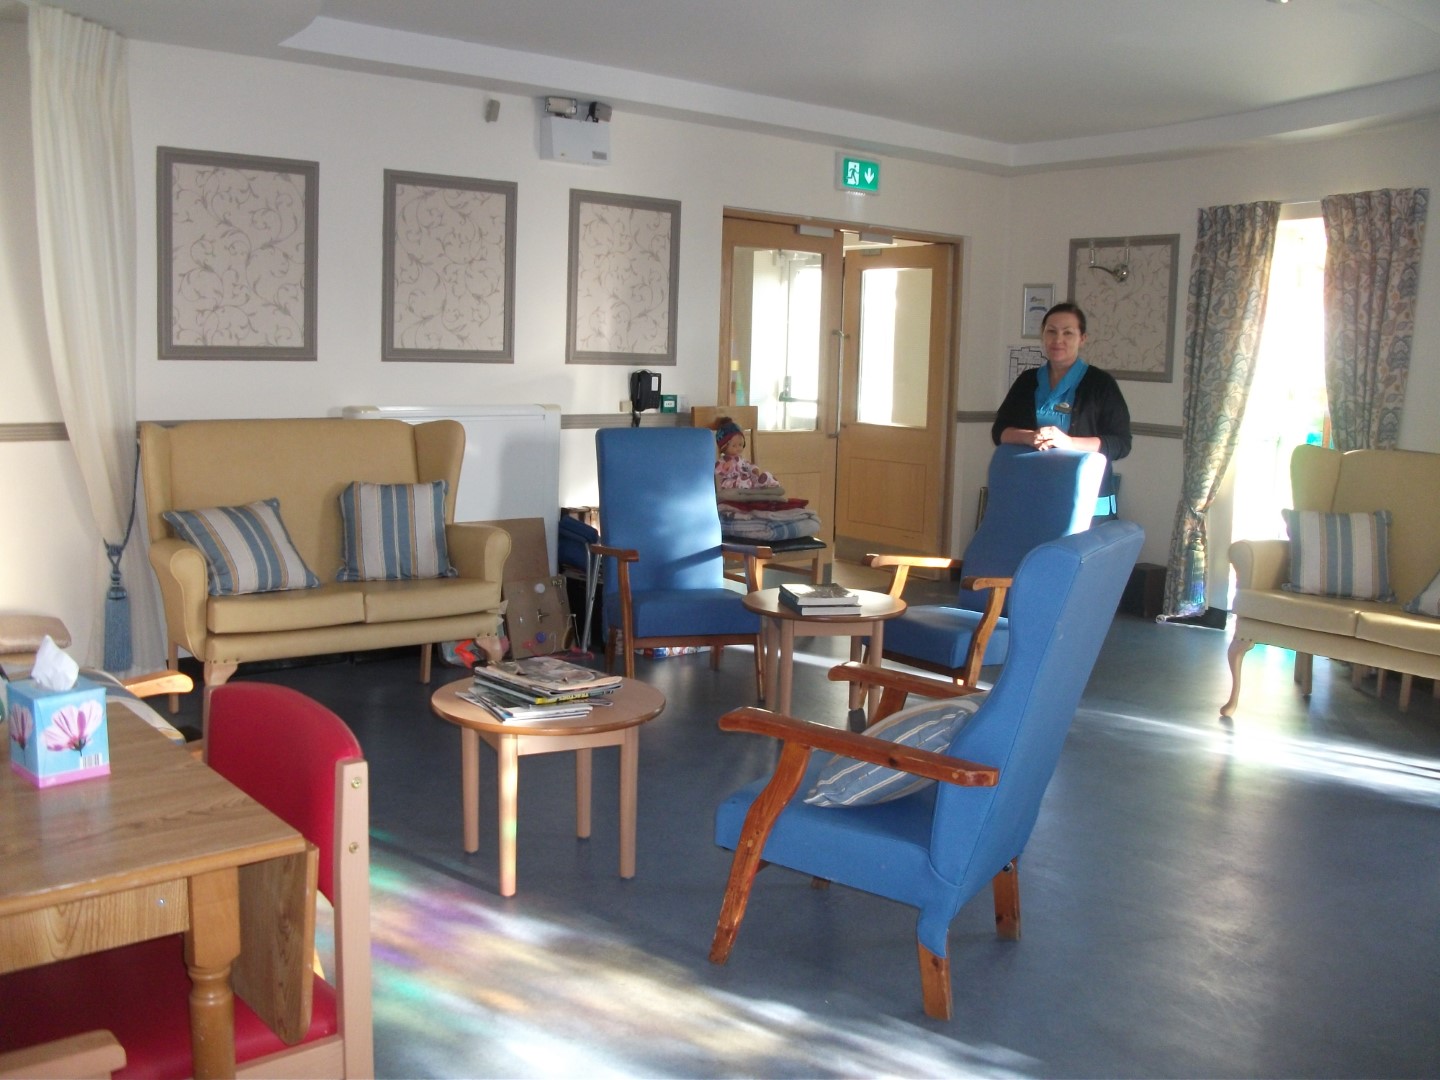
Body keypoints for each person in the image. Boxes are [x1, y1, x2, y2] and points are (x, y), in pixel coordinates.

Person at [992, 301, 1131, 516]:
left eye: (1068, 333)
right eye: (1051, 332)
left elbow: (1121, 443)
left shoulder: (1101, 384)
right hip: (1034, 494)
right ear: (1043, 336)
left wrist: (1069, 443)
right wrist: (1029, 437)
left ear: (1082, 339)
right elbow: (1000, 432)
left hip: (1087, 504)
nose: (1058, 340)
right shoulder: (1027, 381)